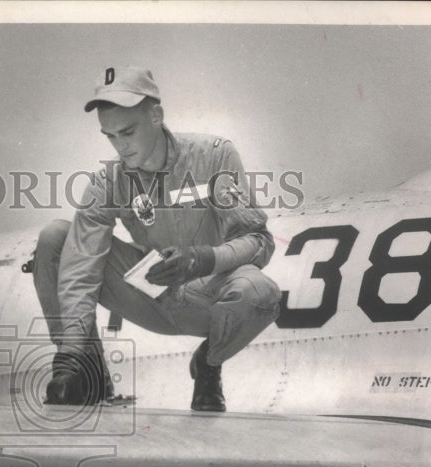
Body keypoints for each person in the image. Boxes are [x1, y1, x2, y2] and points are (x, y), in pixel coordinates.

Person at [33, 66, 281, 411]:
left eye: (128, 132)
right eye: (110, 136)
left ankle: (208, 366)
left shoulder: (214, 156)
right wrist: (69, 354)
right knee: (55, 239)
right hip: (152, 291)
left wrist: (200, 258)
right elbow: (80, 266)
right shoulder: (109, 181)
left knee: (260, 291)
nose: (121, 147)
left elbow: (260, 242)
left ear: (156, 116)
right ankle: (86, 373)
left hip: (208, 292)